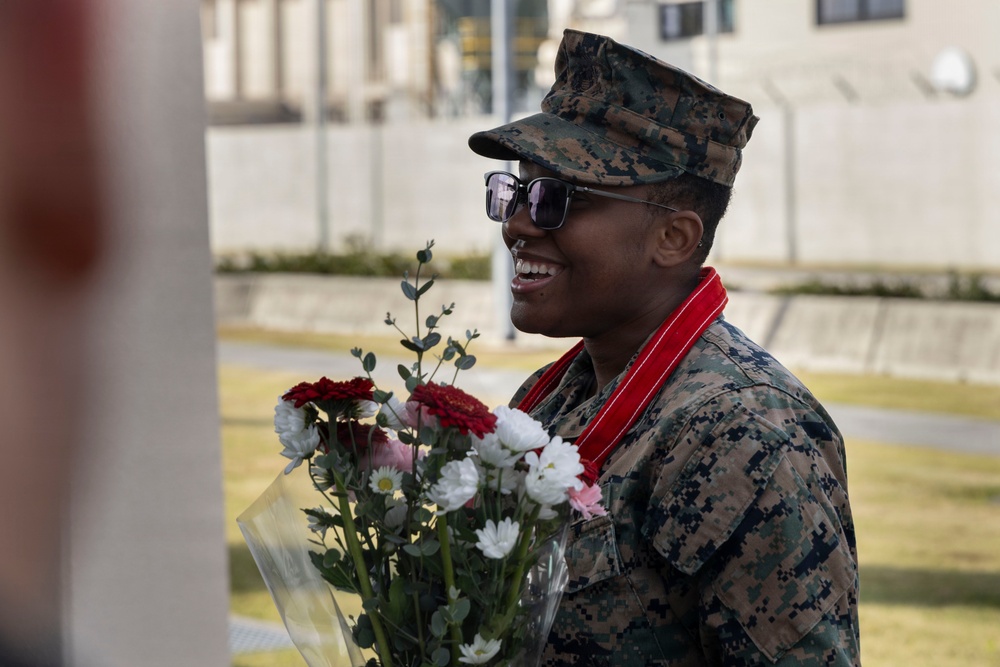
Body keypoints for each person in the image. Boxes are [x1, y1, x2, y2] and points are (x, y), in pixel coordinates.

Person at [468, 30, 859, 666]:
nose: (516, 223)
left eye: (556, 198)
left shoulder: (742, 433)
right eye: (516, 191)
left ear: (674, 238)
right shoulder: (551, 400)